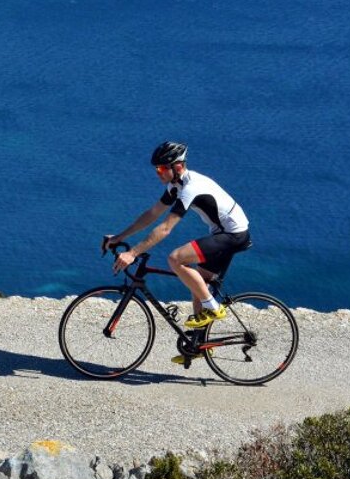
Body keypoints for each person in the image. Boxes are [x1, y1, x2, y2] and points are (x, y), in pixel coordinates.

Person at [102, 142, 251, 341]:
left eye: (162, 168)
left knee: (175, 259)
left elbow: (165, 228)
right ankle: (198, 343)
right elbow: (152, 214)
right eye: (156, 168)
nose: (158, 173)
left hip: (234, 234)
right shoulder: (175, 185)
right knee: (198, 283)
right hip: (221, 232)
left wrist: (132, 253)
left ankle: (214, 309)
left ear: (178, 166)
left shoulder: (192, 187)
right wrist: (120, 237)